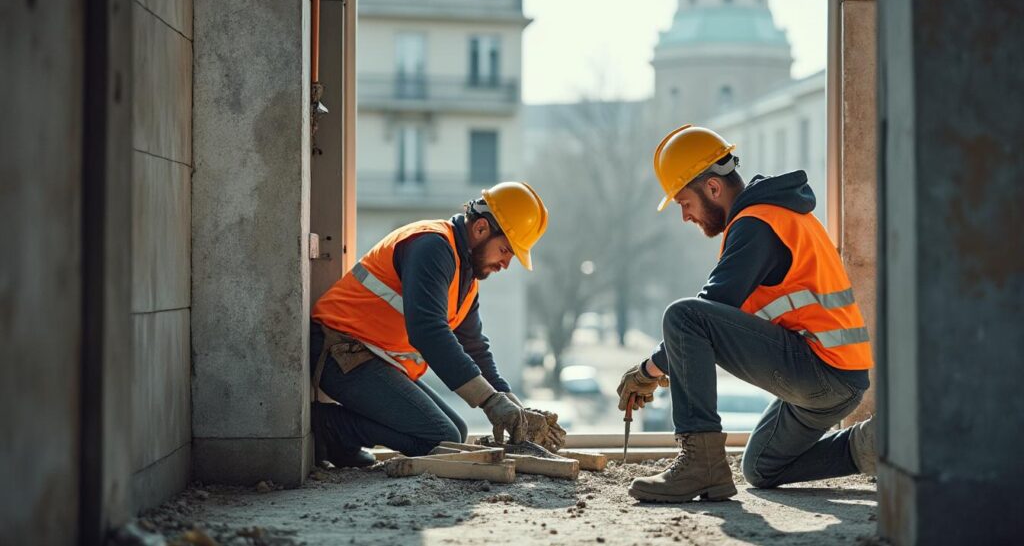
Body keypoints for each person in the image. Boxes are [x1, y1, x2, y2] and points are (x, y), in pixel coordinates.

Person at [617, 125, 875, 502]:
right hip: (840, 380)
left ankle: (701, 466)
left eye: (684, 203)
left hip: (823, 372)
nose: (685, 216)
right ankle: (875, 444)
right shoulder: (775, 215)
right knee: (762, 467)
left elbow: (709, 310)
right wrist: (657, 368)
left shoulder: (758, 224)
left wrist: (648, 371)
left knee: (683, 316)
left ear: (713, 188)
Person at [309, 181, 564, 467]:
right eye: (505, 250)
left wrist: (513, 406)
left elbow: (474, 347)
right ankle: (330, 429)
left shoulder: (465, 276)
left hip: (370, 357)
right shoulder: (432, 246)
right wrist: (489, 401)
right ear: (481, 228)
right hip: (339, 352)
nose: (505, 264)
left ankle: (340, 441)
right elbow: (428, 331)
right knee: (440, 437)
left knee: (455, 434)